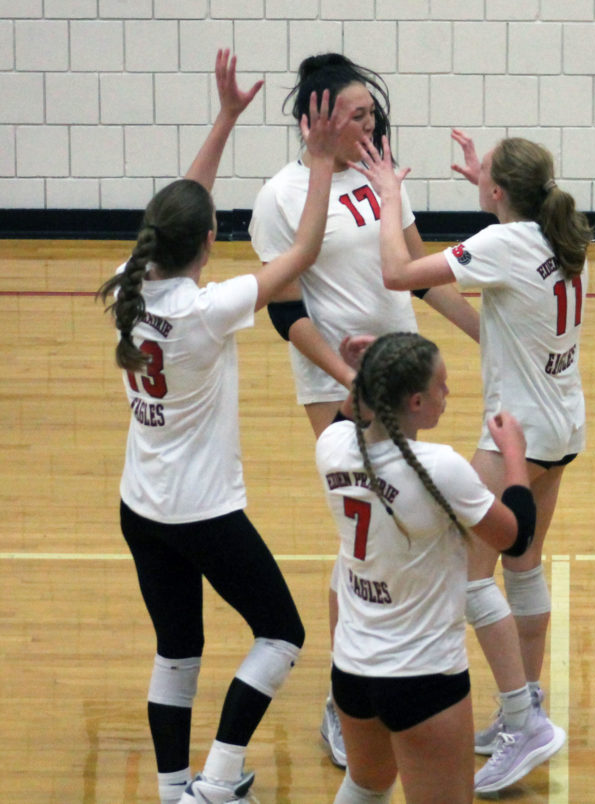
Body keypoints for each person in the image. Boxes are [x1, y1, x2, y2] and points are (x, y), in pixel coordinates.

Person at [96, 50, 348, 804]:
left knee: (178, 651)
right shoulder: (203, 312)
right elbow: (300, 254)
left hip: (141, 508)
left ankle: (176, 793)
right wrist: (321, 160)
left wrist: (228, 117)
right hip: (203, 512)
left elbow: (178, 209)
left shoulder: (128, 284)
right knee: (281, 636)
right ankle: (216, 776)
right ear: (209, 243)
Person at [249, 53, 481, 769]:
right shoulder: (281, 197)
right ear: (313, 120)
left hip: (401, 373)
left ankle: (388, 673)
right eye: (356, 113)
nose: (369, 122)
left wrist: (488, 335)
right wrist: (350, 376)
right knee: (363, 534)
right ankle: (343, 697)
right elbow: (285, 313)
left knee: (404, 529)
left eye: (371, 112)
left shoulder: (381, 180)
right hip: (338, 382)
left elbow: (417, 274)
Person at [350, 129, 591, 793]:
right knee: (524, 565)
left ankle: (522, 718)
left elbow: (398, 274)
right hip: (563, 424)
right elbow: (484, 320)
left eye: (484, 174)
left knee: (470, 576)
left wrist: (391, 198)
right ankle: (528, 706)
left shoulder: (502, 246)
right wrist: (485, 192)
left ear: (500, 191)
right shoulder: (563, 236)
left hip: (518, 430)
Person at [316, 332, 538, 804]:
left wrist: (370, 371)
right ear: (415, 401)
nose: (448, 394)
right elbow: (516, 536)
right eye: (441, 386)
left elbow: (349, 415)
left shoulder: (331, 446)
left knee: (365, 787)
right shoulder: (439, 468)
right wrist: (515, 456)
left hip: (352, 674)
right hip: (424, 680)